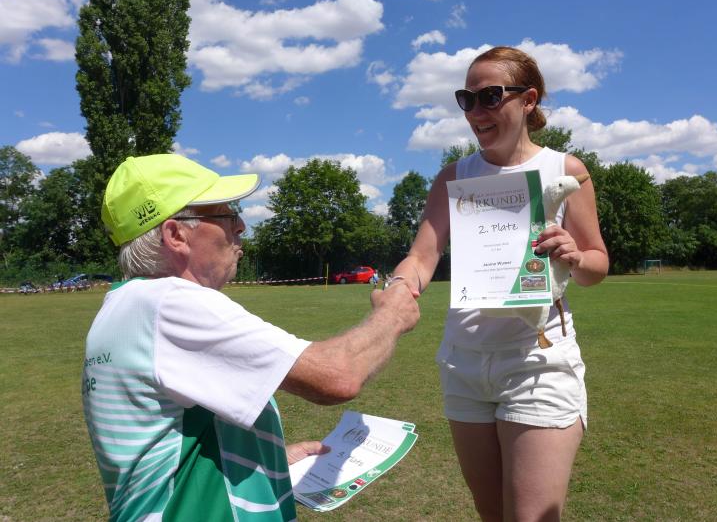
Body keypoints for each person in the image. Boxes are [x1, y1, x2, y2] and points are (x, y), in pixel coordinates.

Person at [82, 154, 419, 521]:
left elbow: (166, 443)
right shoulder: (169, 303)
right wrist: (392, 314)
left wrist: (271, 459)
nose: (241, 226)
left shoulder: (122, 307)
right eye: (227, 216)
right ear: (176, 234)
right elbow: (337, 375)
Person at [390, 46, 608, 521]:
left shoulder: (566, 170)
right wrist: (397, 288)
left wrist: (575, 255)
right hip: (464, 363)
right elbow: (422, 256)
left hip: (537, 362)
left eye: (490, 96)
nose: (476, 111)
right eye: (466, 99)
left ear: (528, 100)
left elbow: (597, 264)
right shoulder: (455, 177)